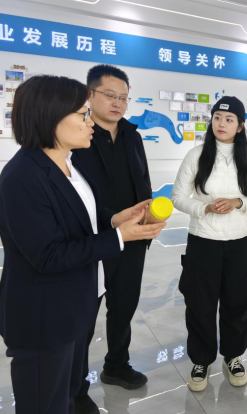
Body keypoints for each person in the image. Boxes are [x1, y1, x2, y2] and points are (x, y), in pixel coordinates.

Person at [0, 75, 165, 414]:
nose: (91, 123)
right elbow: (49, 255)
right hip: (44, 317)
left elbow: (79, 217)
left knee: (67, 395)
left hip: (73, 306)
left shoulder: (67, 163)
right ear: (51, 118)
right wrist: (120, 237)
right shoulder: (22, 178)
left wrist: (115, 219)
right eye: (83, 115)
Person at [171, 96, 247, 392]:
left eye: (229, 119)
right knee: (199, 303)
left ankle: (233, 356)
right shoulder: (196, 155)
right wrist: (205, 208)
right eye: (217, 118)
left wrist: (238, 202)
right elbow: (178, 197)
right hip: (203, 241)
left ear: (240, 126)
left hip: (239, 243)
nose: (221, 124)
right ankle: (201, 360)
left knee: (237, 302)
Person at [72, 64, 154, 413]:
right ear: (89, 95)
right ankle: (76, 386)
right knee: (83, 316)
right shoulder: (79, 136)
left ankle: (116, 365)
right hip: (92, 241)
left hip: (132, 239)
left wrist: (149, 216)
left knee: (124, 307)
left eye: (123, 97)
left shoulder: (133, 136)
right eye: (110, 95)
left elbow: (143, 180)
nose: (118, 103)